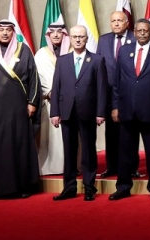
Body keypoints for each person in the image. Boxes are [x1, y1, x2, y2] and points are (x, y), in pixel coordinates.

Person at [0, 20, 41, 199]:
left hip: (17, 109)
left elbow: (33, 78)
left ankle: (21, 187)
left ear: (13, 32)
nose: (4, 33)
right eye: (1, 30)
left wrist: (32, 102)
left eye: (8, 30)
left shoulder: (24, 50)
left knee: (18, 147)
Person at [109, 19, 150, 201]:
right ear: (135, 32)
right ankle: (123, 187)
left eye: (146, 31)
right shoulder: (124, 51)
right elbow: (117, 82)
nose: (143, 33)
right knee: (125, 153)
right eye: (139, 31)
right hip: (126, 110)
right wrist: (115, 106)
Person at [50, 25, 109, 201]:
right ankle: (69, 187)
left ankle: (89, 187)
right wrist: (54, 112)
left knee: (88, 151)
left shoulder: (97, 60)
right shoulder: (62, 60)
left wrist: (100, 112)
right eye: (74, 36)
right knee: (69, 151)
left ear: (86, 39)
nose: (77, 40)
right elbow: (56, 86)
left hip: (88, 112)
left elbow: (101, 88)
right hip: (66, 112)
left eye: (81, 37)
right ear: (70, 38)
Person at [95, 11, 135, 178]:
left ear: (127, 23)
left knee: (130, 132)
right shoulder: (103, 40)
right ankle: (112, 167)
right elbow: (99, 66)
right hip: (109, 93)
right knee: (111, 133)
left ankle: (131, 168)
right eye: (113, 21)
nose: (116, 23)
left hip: (131, 93)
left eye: (119, 20)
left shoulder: (135, 37)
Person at [34, 23, 70, 175]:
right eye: (52, 32)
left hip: (69, 102)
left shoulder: (72, 51)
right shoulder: (41, 54)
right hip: (48, 102)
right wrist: (49, 93)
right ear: (48, 35)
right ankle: (50, 166)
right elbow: (36, 77)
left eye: (59, 32)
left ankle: (71, 165)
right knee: (50, 137)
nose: (55, 35)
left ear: (64, 34)